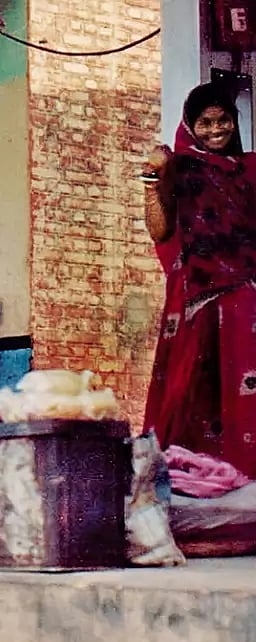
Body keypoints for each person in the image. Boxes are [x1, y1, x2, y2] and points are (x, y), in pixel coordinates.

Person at [142, 81, 256, 477]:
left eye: (223, 120)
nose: (215, 130)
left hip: (247, 295)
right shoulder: (179, 168)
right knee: (194, 390)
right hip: (199, 297)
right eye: (205, 122)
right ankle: (194, 478)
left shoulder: (250, 169)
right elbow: (159, 231)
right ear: (191, 125)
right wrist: (151, 181)